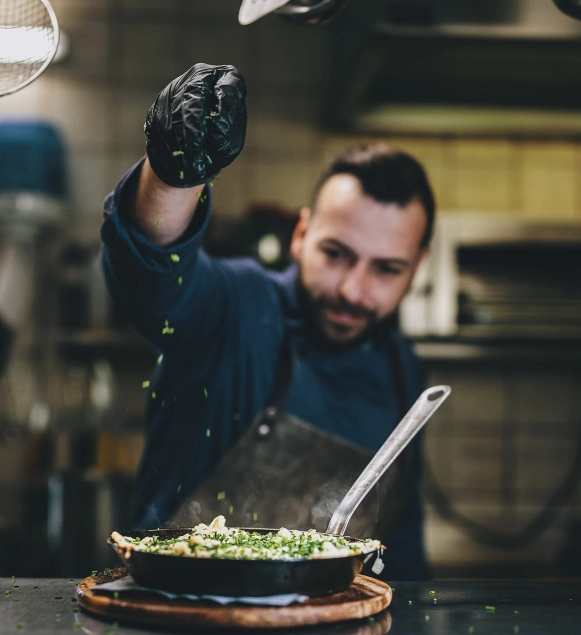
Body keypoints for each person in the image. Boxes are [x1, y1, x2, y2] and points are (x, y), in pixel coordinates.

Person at [100, 64, 435, 580]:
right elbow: (155, 268)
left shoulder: (402, 370)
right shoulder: (237, 306)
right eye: (336, 253)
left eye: (386, 269)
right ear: (301, 234)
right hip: (180, 613)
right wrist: (171, 177)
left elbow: (402, 545)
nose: (352, 289)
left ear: (416, 268)